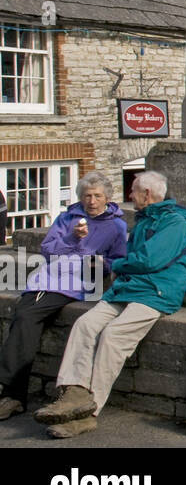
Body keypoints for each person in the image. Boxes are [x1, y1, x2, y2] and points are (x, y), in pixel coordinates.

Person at [33, 170, 186, 438]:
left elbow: (148, 260)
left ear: (147, 194)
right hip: (129, 288)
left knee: (113, 335)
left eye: (133, 191)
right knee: (85, 324)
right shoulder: (144, 220)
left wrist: (115, 265)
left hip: (158, 291)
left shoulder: (174, 223)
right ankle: (73, 393)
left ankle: (87, 413)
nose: (129, 195)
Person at [0, 172, 128, 421]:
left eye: (97, 196)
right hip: (49, 278)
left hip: (78, 282)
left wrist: (101, 265)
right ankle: (12, 394)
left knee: (26, 315)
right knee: (25, 316)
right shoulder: (67, 218)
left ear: (107, 198)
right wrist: (72, 238)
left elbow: (119, 260)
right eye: (87, 196)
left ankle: (11, 393)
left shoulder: (116, 226)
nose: (91, 201)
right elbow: (47, 249)